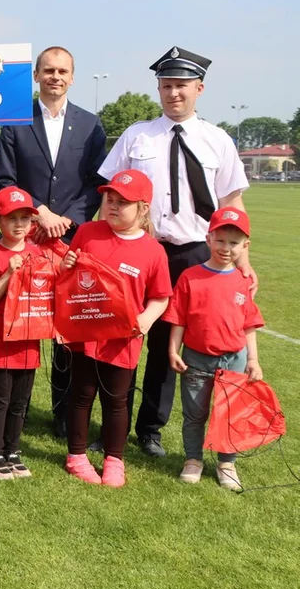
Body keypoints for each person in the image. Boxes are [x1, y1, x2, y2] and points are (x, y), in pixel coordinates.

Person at [98, 46, 252, 458]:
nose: (173, 94)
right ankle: (112, 422)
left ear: (199, 88)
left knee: (168, 345)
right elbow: (110, 197)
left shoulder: (217, 140)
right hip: (141, 250)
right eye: (166, 86)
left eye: (182, 86)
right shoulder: (136, 135)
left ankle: (150, 429)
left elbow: (232, 205)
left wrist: (244, 264)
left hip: (194, 255)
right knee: (120, 334)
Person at [0, 46, 107, 438]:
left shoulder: (91, 125)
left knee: (66, 327)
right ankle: (13, 410)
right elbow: (4, 180)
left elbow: (96, 184)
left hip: (71, 241)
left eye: (63, 71)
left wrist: (67, 219)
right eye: (48, 70)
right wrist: (39, 212)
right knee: (25, 318)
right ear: (37, 76)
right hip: (27, 235)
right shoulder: (14, 122)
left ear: (73, 77)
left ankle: (62, 411)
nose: (55, 76)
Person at [60, 170, 171, 488]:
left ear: (143, 208)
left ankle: (114, 459)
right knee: (81, 394)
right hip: (84, 335)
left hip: (122, 340)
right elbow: (69, 276)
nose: (112, 205)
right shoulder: (88, 233)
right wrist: (64, 267)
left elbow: (160, 297)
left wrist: (146, 319)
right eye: (109, 198)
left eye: (122, 202)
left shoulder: (153, 251)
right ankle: (77, 456)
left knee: (116, 399)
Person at [165, 207, 264, 491]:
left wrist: (253, 360)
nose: (225, 248)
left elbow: (249, 324)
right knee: (194, 413)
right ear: (208, 239)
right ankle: (193, 459)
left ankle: (227, 463)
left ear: (245, 246)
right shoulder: (190, 277)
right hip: (196, 358)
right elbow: (179, 319)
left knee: (230, 413)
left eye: (234, 243)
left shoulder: (243, 281)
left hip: (234, 359)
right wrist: (173, 350)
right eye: (220, 240)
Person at [0, 187, 41, 480]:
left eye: (25, 218)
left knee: (19, 401)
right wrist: (8, 274)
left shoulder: (37, 253)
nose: (19, 225)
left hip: (29, 339)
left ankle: (12, 450)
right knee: (0, 399)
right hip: (0, 341)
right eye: (12, 218)